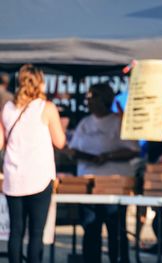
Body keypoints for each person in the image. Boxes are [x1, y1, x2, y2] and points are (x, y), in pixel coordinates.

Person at [0, 64, 66, 263]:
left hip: (13, 178)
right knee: (36, 233)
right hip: (39, 177)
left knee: (16, 232)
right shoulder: (46, 108)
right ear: (40, 82)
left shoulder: (8, 108)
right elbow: (60, 141)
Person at [68, 83, 140, 263]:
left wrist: (107, 156)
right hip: (88, 186)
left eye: (95, 97)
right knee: (90, 231)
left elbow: (133, 149)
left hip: (114, 186)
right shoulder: (84, 123)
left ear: (106, 99)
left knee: (116, 231)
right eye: (89, 98)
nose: (90, 101)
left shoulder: (118, 121)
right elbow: (73, 150)